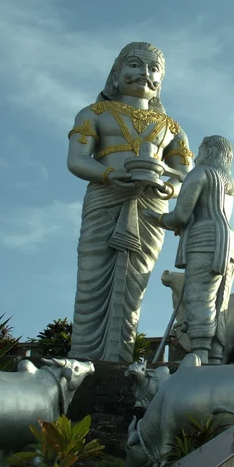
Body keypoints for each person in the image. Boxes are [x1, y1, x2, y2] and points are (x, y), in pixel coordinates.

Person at [66, 42, 194, 363]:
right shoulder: (94, 114)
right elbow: (77, 159)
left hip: (150, 208)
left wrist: (166, 185)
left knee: (134, 288)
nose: (144, 74)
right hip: (105, 197)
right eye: (135, 65)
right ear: (117, 71)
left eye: (154, 69)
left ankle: (120, 361)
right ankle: (82, 362)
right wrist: (108, 174)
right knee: (92, 279)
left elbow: (185, 175)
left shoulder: (172, 127)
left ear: (161, 80)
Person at [144, 136, 234, 364]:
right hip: (230, 246)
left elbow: (181, 215)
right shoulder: (229, 182)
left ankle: (199, 356)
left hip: (205, 241)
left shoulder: (201, 173)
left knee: (200, 299)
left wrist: (156, 217)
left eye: (200, 151)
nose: (196, 157)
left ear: (209, 153)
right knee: (220, 305)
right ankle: (215, 359)